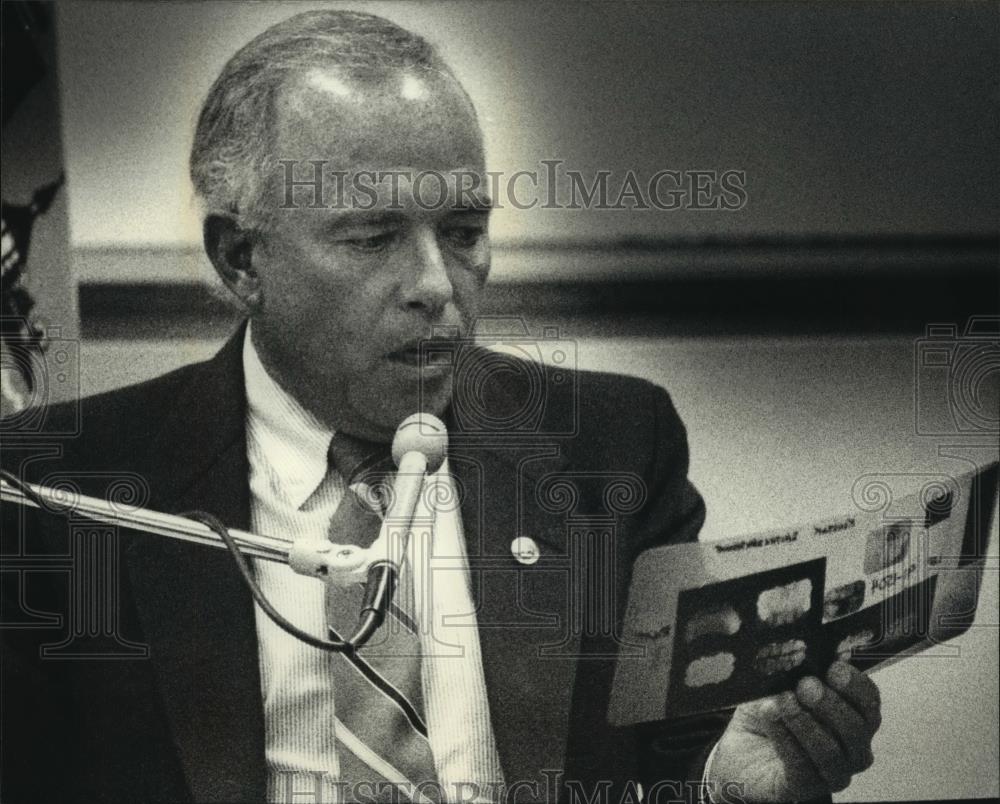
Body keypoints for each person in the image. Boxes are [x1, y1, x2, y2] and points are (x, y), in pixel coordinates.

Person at [0, 10, 881, 803]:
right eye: (372, 237)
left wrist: (735, 788)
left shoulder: (612, 448)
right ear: (241, 260)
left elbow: (675, 767)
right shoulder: (57, 490)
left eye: (462, 233)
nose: (435, 286)